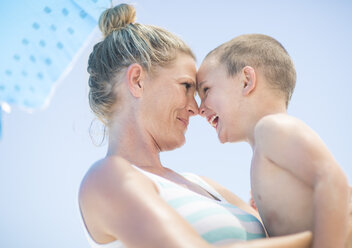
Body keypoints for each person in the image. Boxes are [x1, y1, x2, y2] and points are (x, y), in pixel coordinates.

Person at [78, 3, 314, 248]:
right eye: (187, 87)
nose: (196, 108)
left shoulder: (206, 185)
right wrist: (327, 239)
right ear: (137, 80)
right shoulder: (105, 178)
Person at [197, 34, 352, 247]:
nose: (200, 108)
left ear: (246, 81)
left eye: (205, 90)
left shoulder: (272, 128)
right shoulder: (264, 153)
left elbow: (333, 180)